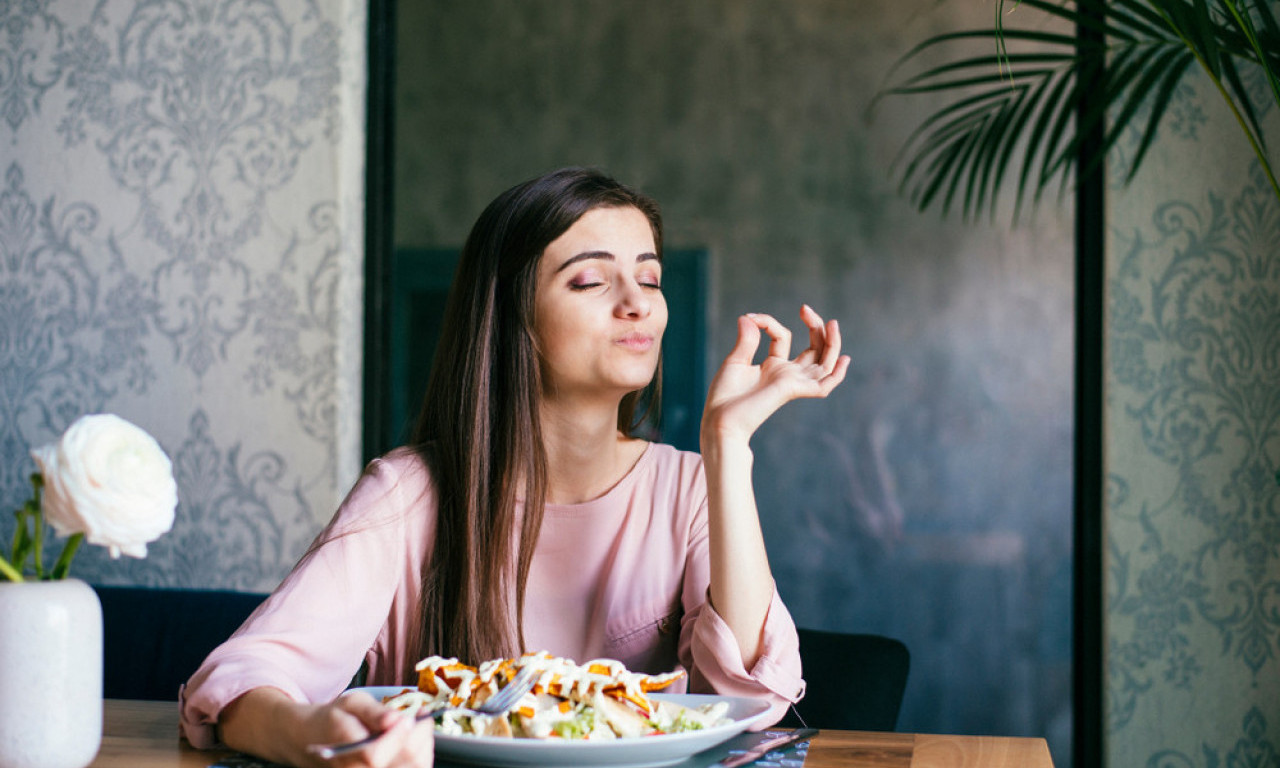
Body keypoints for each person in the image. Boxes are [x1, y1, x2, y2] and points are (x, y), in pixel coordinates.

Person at [179, 167, 850, 767]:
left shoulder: (686, 488)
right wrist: (311, 731)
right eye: (590, 280)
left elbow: (754, 698)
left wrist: (727, 444)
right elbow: (241, 678)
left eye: (649, 277)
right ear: (509, 316)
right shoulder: (409, 493)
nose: (638, 301)